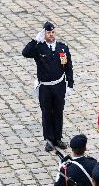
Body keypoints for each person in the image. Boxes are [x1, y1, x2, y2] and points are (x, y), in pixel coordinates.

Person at [22, 21, 74, 151]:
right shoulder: (39, 48)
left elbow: (68, 67)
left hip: (59, 85)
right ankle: (49, 139)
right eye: (48, 33)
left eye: (53, 32)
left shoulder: (62, 48)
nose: (51, 35)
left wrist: (70, 84)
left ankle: (58, 138)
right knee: (46, 113)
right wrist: (35, 40)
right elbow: (25, 53)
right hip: (45, 87)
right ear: (43, 34)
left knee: (58, 111)